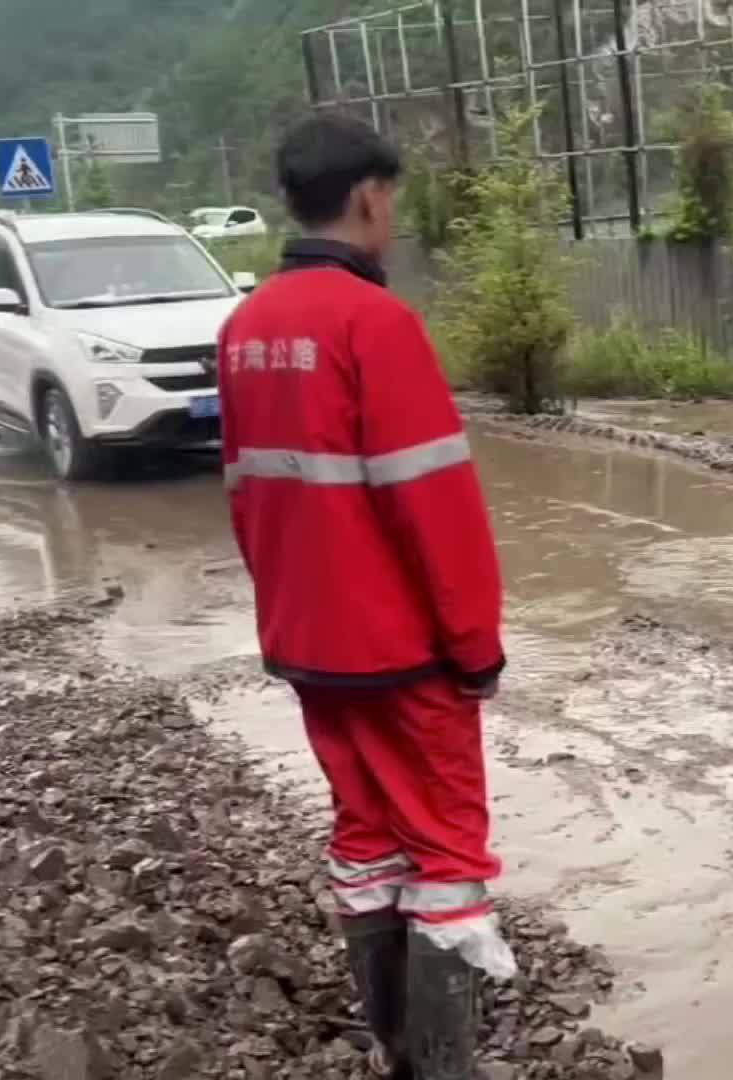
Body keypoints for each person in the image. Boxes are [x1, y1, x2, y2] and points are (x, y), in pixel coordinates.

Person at [217, 111, 511, 1080]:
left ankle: (395, 1055)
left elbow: (246, 497)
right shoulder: (376, 324)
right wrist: (476, 647)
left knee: (367, 835)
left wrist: (289, 617)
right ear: (371, 198)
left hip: (310, 647)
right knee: (447, 857)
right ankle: (441, 1068)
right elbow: (436, 506)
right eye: (393, 201)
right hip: (403, 654)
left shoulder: (244, 328)